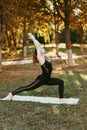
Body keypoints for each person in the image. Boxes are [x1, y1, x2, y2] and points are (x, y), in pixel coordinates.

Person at [8, 33, 64, 101]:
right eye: (41, 49)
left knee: (61, 82)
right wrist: (33, 38)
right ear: (39, 52)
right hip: (41, 80)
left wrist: (35, 40)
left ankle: (61, 98)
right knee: (28, 88)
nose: (42, 48)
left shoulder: (45, 58)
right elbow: (37, 46)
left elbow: (39, 45)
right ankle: (12, 94)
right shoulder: (40, 58)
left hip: (47, 79)